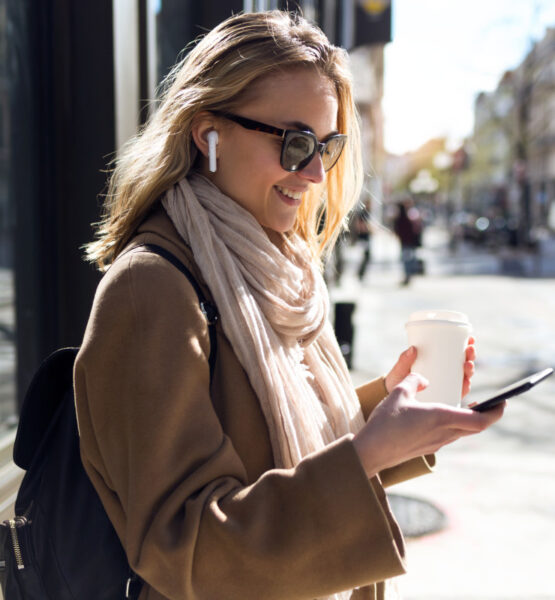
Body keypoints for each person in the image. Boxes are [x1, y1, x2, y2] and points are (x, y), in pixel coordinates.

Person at [74, 11, 504, 600]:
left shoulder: (280, 265)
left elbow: (271, 438)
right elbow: (183, 549)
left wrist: (392, 416)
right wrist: (366, 453)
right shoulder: (152, 289)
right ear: (209, 134)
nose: (313, 173)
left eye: (327, 146)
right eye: (295, 142)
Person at [393, 199, 422, 286]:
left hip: (406, 242)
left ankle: (408, 275)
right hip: (408, 242)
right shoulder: (406, 217)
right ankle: (408, 275)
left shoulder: (403, 218)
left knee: (407, 259)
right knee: (408, 259)